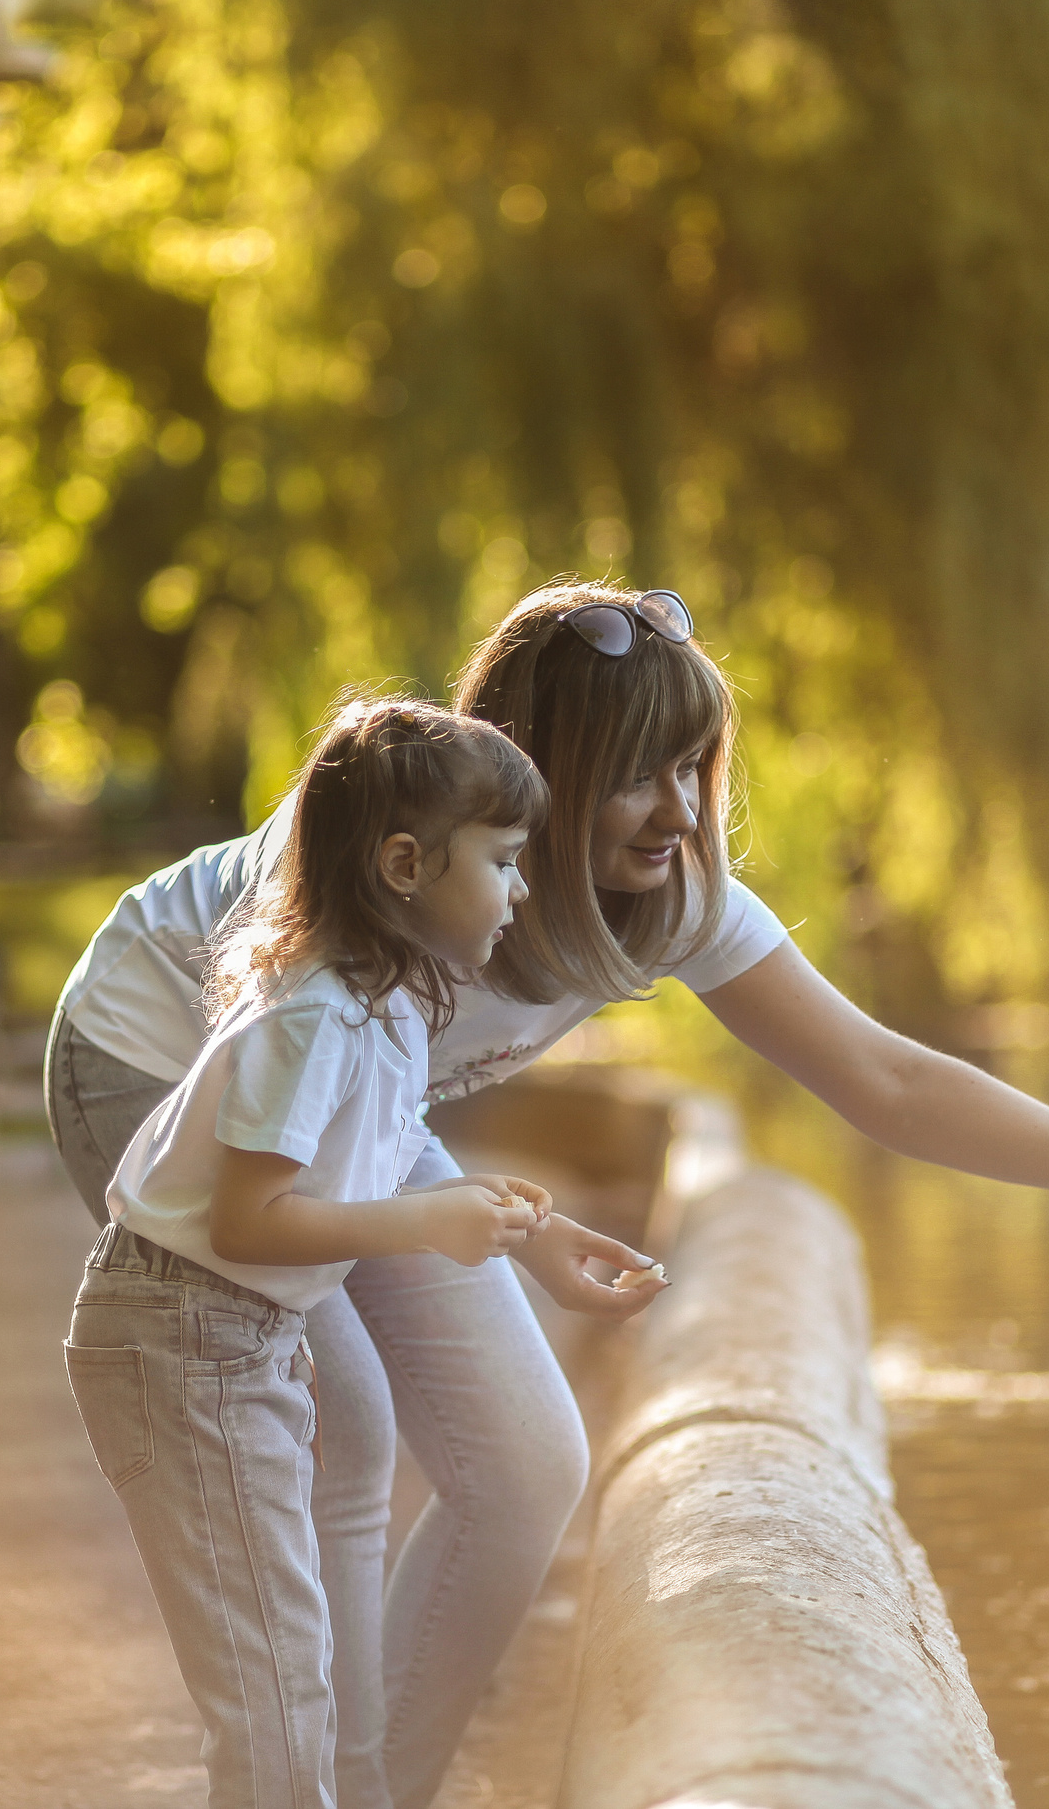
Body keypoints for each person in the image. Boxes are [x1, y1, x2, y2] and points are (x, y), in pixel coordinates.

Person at [45, 583, 1049, 1809]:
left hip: (357, 1110)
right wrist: (415, 1229)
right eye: (642, 772)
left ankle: (378, 1788)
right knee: (340, 1421)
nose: (680, 810)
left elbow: (888, 1079)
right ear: (525, 772)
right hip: (159, 1069)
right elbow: (271, 1097)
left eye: (696, 766)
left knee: (526, 1466)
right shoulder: (381, 860)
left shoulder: (672, 898)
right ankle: (296, 1782)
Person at [64, 697, 629, 1808]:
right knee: (274, 1709)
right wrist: (426, 1225)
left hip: (233, 1337)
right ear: (406, 864)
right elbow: (247, 1221)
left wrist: (528, 1232)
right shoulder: (315, 1013)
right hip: (183, 1338)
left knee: (292, 1691)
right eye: (507, 862)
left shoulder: (390, 1006)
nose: (524, 891)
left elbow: (366, 1172)